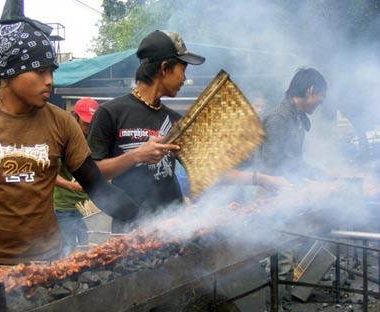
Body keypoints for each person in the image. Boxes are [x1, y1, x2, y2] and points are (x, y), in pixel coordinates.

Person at [0, 10, 138, 277]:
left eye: (51, 71)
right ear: (9, 73)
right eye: (40, 71)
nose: (49, 81)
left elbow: (98, 188)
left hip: (46, 261)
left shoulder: (62, 123)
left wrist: (149, 218)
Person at [88, 30, 288, 232]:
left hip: (175, 225)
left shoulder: (176, 120)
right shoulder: (110, 112)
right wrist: (135, 156)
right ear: (165, 68)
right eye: (183, 69)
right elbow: (92, 174)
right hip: (133, 231)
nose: (185, 78)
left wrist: (261, 179)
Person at [258, 67, 327, 312]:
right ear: (311, 91)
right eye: (321, 96)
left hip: (287, 196)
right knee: (276, 259)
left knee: (287, 257)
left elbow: (295, 162)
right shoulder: (278, 118)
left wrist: (321, 175)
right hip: (272, 198)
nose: (321, 102)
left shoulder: (297, 117)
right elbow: (273, 166)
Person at [54, 98, 98, 255]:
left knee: (88, 249)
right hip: (64, 206)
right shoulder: (63, 139)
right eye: (86, 123)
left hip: (87, 209)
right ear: (75, 117)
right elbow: (47, 175)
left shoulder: (93, 139)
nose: (88, 128)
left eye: (92, 124)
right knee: (68, 250)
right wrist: (71, 185)